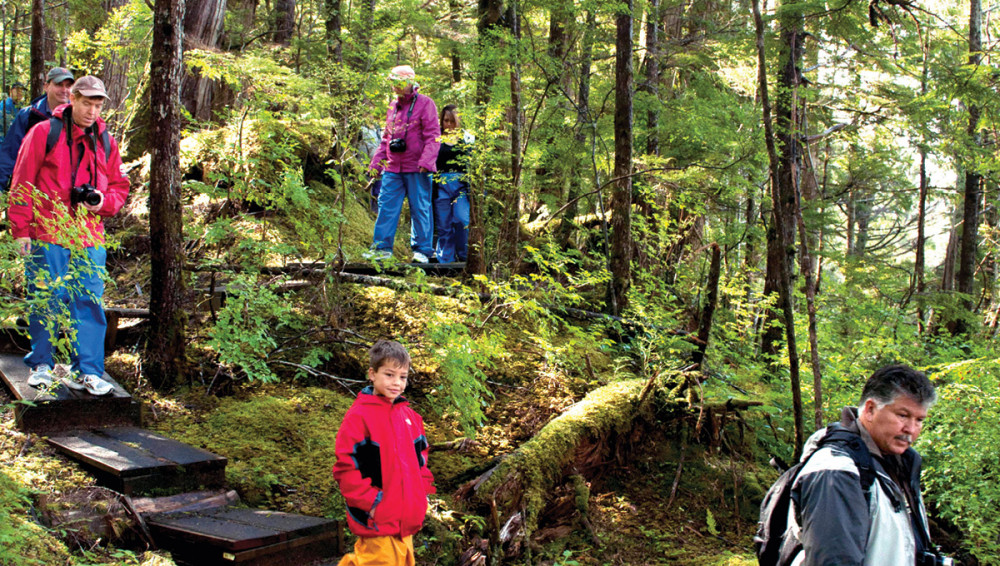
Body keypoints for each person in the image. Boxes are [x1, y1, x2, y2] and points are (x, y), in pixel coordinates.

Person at [9, 75, 130, 396]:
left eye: (98, 105)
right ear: (72, 99)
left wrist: (103, 203)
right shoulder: (44, 132)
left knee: (88, 302)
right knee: (46, 298)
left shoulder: (105, 140)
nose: (92, 111)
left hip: (89, 236)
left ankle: (87, 371)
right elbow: (22, 182)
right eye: (87, 103)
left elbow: (119, 186)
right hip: (47, 233)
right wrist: (21, 229)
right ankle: (42, 365)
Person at [789, 364, 946, 566]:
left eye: (919, 419)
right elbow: (834, 560)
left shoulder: (898, 464)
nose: (911, 429)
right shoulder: (837, 471)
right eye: (903, 415)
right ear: (870, 409)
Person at [333, 340, 435, 566]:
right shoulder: (359, 416)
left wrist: (422, 496)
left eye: (403, 377)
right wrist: (372, 503)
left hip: (407, 519)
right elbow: (346, 468)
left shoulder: (412, 419)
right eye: (389, 375)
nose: (396, 382)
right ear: (372, 374)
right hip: (377, 518)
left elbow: (422, 463)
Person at [364, 65, 440, 263]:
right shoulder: (392, 106)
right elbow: (386, 139)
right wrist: (376, 164)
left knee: (420, 208)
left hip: (417, 167)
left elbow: (433, 136)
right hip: (392, 167)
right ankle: (381, 249)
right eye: (392, 82)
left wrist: (426, 161)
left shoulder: (426, 103)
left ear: (409, 82)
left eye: (398, 82)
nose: (394, 86)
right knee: (386, 207)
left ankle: (422, 251)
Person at [0, 67, 75, 191]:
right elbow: (10, 153)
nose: (64, 90)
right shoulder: (28, 115)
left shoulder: (78, 118)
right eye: (58, 85)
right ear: (46, 86)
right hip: (31, 190)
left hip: (66, 192)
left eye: (68, 86)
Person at [433, 105, 472, 263]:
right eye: (445, 120)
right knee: (444, 224)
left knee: (462, 219)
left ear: (458, 121)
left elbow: (472, 164)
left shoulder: (467, 139)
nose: (448, 124)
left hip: (461, 186)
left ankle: (463, 255)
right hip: (441, 185)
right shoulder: (436, 138)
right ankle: (445, 259)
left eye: (452, 121)